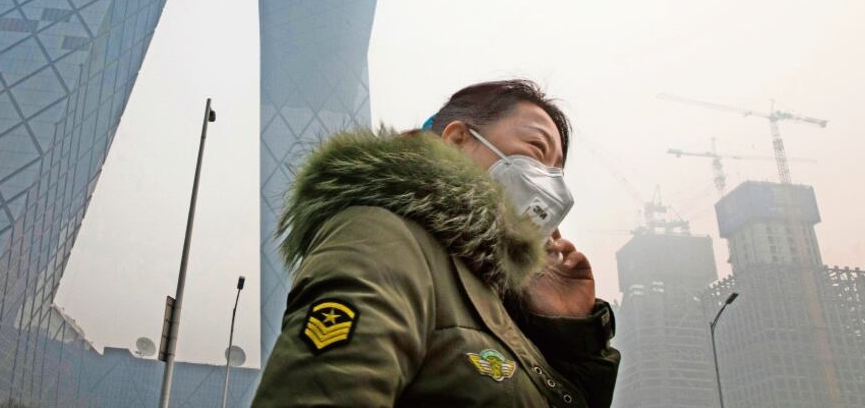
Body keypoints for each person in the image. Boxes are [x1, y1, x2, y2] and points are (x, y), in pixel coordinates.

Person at [252, 80, 620, 407]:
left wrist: (569, 338)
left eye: (557, 171)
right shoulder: (385, 234)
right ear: (458, 139)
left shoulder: (491, 297)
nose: (551, 183)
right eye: (537, 149)